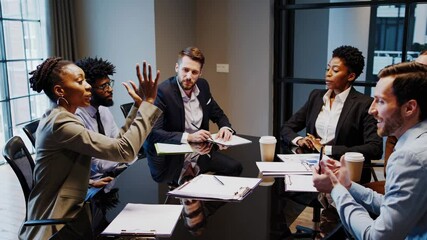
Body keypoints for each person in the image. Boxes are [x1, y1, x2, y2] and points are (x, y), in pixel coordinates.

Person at [19, 57, 162, 240]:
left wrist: (137, 107)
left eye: (86, 80)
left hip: (75, 211)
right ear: (59, 91)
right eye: (80, 81)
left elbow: (115, 146)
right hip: (57, 224)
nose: (87, 86)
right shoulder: (61, 124)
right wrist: (148, 103)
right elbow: (124, 151)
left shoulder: (63, 117)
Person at [313, 61, 427, 239]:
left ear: (409, 108)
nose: (371, 110)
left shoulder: (409, 157)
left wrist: (336, 189)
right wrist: (348, 186)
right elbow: (392, 206)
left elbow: (376, 237)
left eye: (380, 101)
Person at [280, 45, 383, 184]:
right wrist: (299, 140)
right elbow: (287, 128)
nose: (328, 74)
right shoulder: (316, 96)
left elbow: (374, 148)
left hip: (346, 173)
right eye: (327, 69)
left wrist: (326, 149)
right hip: (314, 167)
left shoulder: (365, 104)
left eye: (335, 70)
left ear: (351, 76)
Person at [75, 57, 134, 188]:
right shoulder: (77, 118)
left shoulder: (103, 110)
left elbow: (118, 141)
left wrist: (126, 155)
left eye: (109, 83)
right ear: (88, 89)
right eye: (103, 86)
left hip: (111, 175)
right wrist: (127, 156)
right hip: (90, 184)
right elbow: (98, 165)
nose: (110, 89)